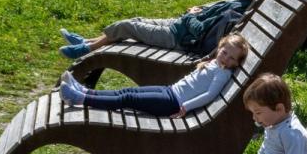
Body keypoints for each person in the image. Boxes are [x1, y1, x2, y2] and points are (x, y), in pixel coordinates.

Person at [59, 0, 270, 59]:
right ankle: (88, 41)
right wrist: (197, 12)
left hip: (178, 38)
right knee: (136, 20)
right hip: (179, 26)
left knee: (127, 26)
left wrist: (191, 15)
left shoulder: (236, 11)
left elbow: (200, 31)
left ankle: (85, 49)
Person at [167, 73, 307, 154]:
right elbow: (265, 147)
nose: (255, 118)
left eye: (258, 113)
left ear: (279, 108)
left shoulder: (292, 132)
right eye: (253, 113)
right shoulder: (274, 123)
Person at [56, 34, 247, 118]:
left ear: (237, 63)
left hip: (173, 103)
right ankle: (85, 91)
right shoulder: (214, 62)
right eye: (224, 52)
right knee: (128, 91)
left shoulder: (222, 73)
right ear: (220, 48)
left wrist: (186, 107)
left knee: (128, 99)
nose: (226, 58)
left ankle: (80, 99)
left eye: (232, 58)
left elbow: (209, 95)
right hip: (170, 92)